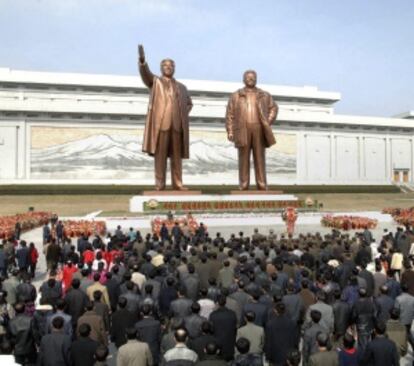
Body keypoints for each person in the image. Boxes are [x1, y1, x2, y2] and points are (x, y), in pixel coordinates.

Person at [138, 44, 193, 191]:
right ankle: (159, 184)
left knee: (177, 157)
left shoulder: (182, 87)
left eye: (171, 66)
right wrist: (142, 62)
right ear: (161, 68)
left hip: (177, 125)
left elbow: (189, 103)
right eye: (165, 66)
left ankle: (177, 183)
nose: (168, 68)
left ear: (174, 68)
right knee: (160, 156)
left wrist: (181, 114)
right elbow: (146, 75)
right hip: (161, 124)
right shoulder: (155, 82)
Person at [225, 69, 278, 190]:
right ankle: (243, 184)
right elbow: (230, 114)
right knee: (243, 158)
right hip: (242, 129)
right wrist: (230, 130)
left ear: (256, 79)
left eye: (253, 77)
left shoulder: (264, 95)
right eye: (248, 77)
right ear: (243, 79)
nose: (251, 79)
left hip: (259, 129)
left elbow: (273, 108)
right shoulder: (236, 95)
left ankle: (262, 184)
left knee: (260, 157)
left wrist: (268, 121)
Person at [209, 295, 237, 361]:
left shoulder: (213, 315)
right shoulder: (232, 314)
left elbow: (211, 330)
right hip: (229, 343)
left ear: (217, 303)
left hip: (217, 344)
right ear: (225, 302)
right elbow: (235, 328)